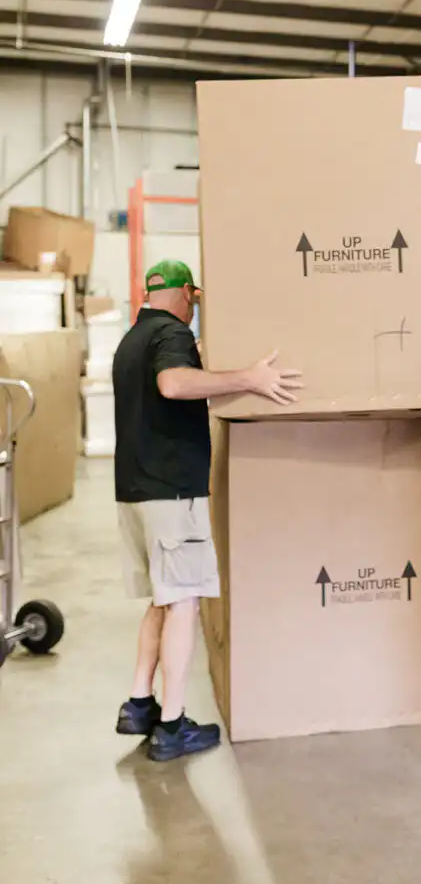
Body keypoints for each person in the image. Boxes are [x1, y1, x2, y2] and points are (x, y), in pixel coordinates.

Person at [113, 260, 302, 762]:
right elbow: (174, 385)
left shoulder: (131, 341)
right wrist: (250, 378)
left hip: (133, 492)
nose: (195, 310)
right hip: (171, 493)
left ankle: (139, 704)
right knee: (184, 603)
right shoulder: (171, 334)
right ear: (183, 295)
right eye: (193, 300)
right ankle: (172, 726)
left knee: (163, 597)